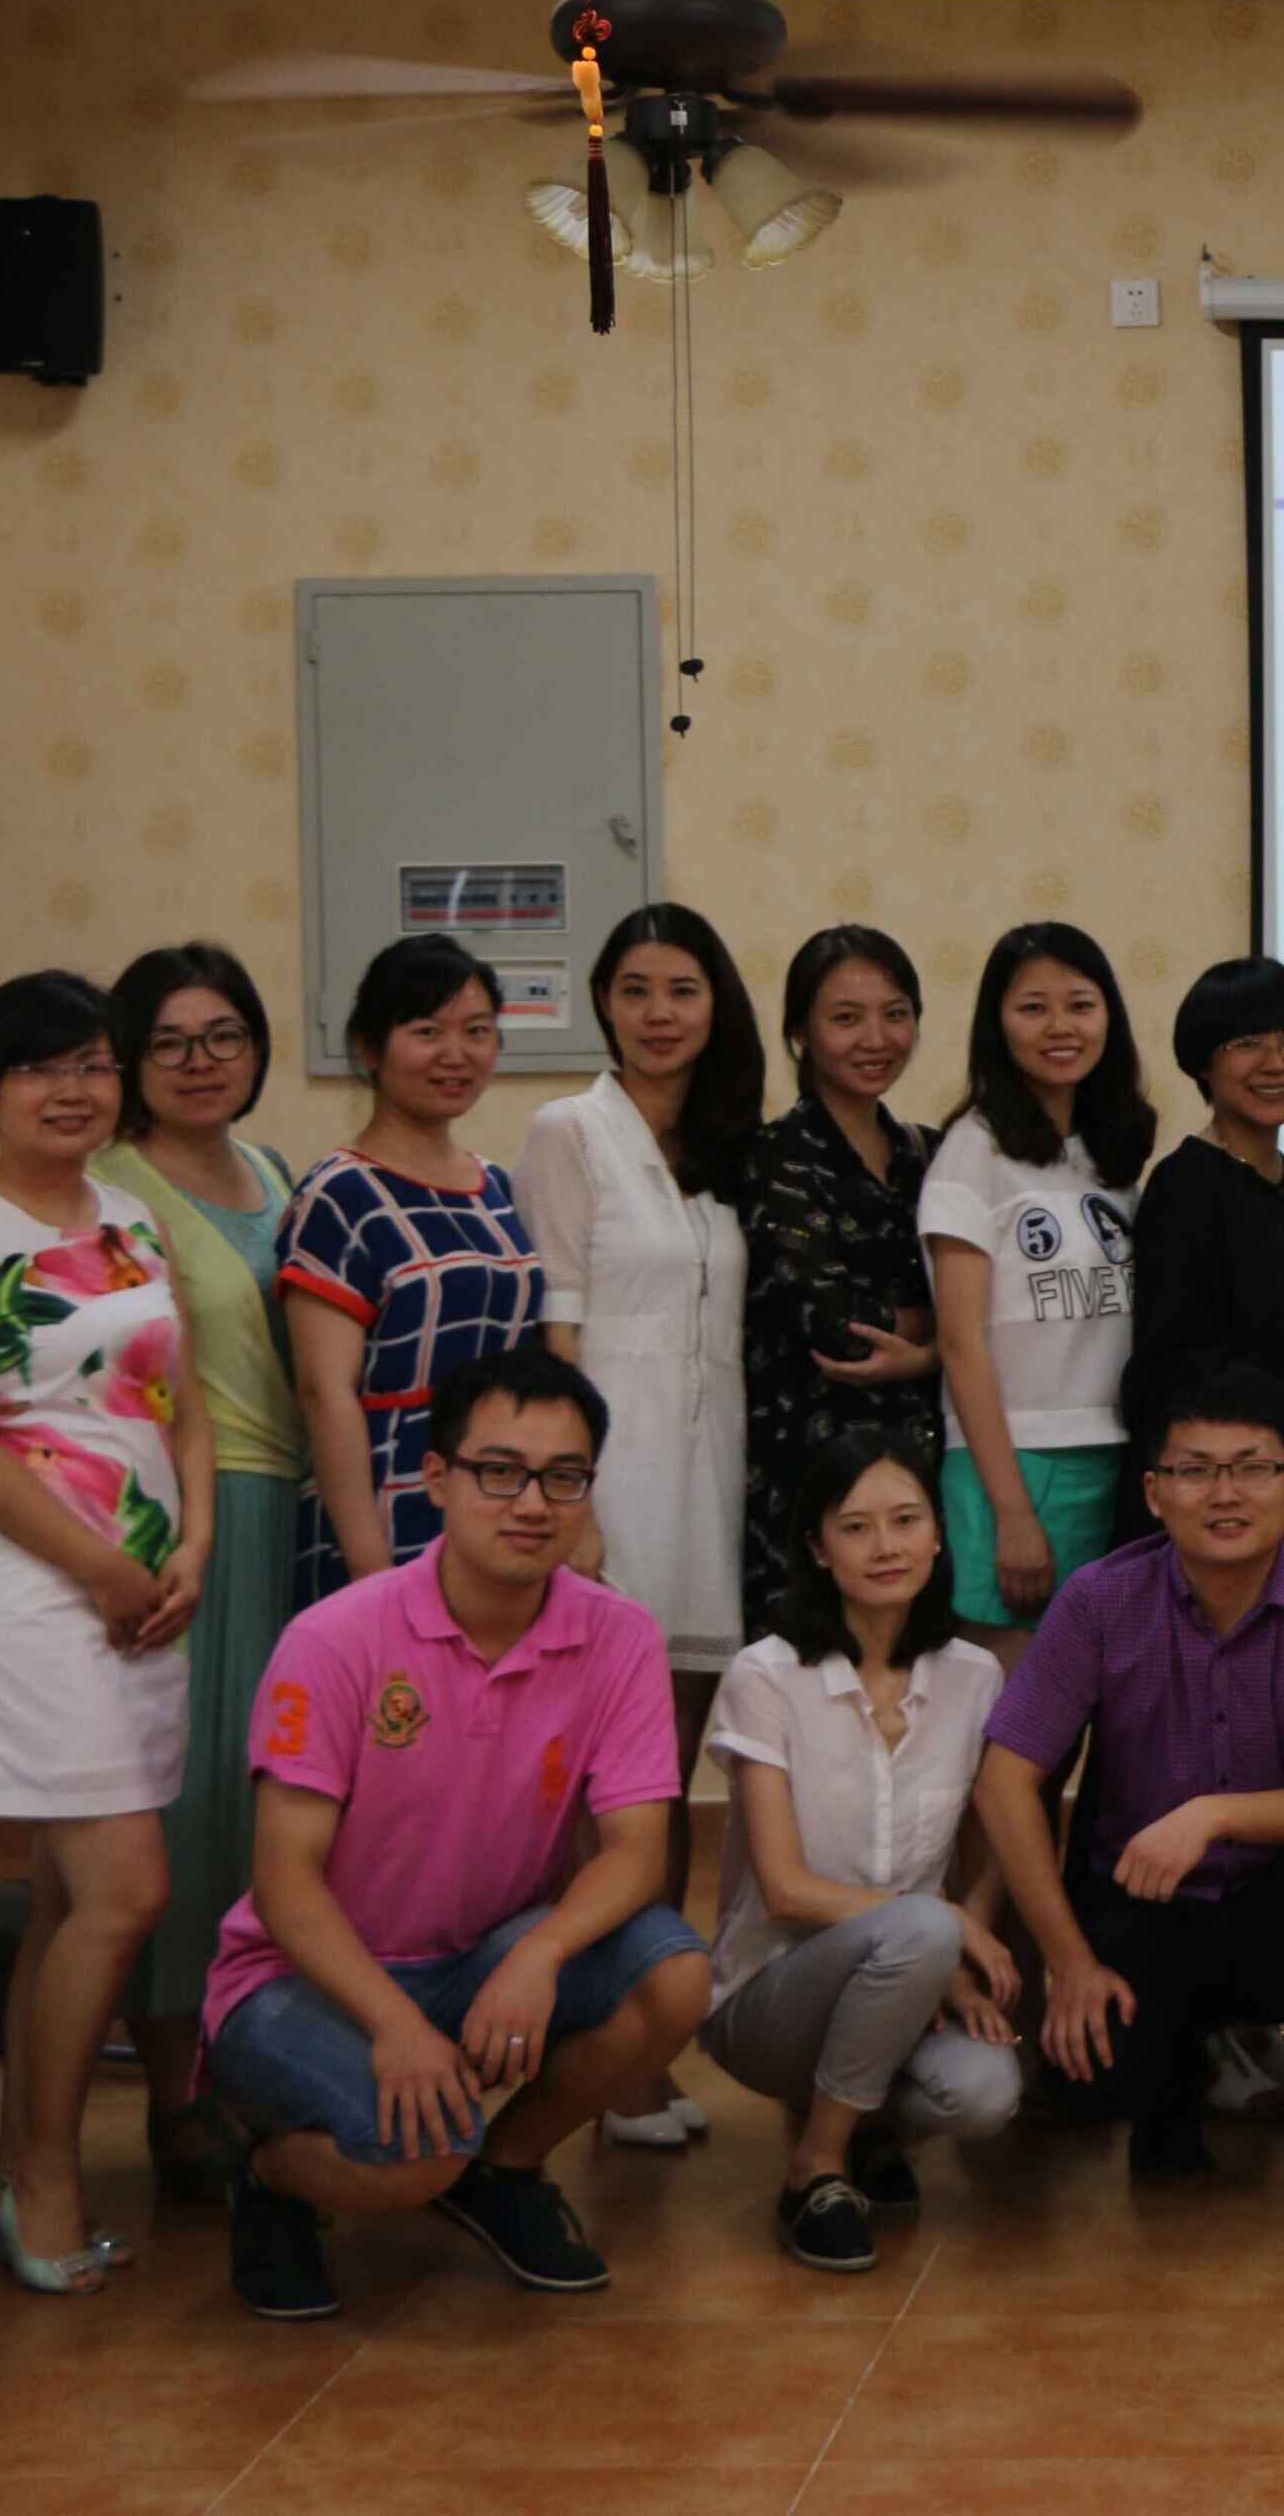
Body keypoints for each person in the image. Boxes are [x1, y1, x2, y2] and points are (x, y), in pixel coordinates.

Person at [204, 1349, 713, 2323]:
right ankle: (270, 2177)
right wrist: (395, 2025)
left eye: (563, 1476)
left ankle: (504, 2168)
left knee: (675, 1976)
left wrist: (539, 1953)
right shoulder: (335, 1637)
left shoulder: (619, 1636)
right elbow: (284, 1881)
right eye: (499, 1470)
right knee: (417, 2153)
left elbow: (636, 1851)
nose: (533, 1503)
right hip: (302, 1978)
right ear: (437, 1477)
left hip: (480, 1956)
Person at [0, 970, 211, 2292]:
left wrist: (192, 1541)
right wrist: (101, 1569)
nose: (71, 1089)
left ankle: (14, 2155)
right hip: (40, 1597)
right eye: (39, 1067)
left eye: (91, 1063)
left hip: (147, 1589)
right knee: (127, 1890)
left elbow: (179, 1398)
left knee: (68, 1893)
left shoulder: (132, 1215)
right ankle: (47, 2177)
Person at [972, 1365, 1284, 2243]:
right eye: (1195, 1470)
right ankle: (1167, 2095)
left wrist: (1213, 1813)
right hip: (1143, 1911)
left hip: (1279, 1914)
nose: (1224, 1493)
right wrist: (1069, 1962)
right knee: (1094, 2085)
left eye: (1251, 1467)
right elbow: (1003, 1779)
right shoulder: (1099, 1598)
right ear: (1153, 1492)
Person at [520, 902, 761, 2151]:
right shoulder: (570, 1129)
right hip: (614, 1490)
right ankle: (599, 2061)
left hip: (711, 1489)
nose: (659, 1012)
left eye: (682, 988)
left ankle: (641, 2046)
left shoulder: (726, 1148)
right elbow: (554, 1326)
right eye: (634, 988)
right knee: (609, 1796)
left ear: (717, 1005)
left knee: (667, 1784)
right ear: (603, 1003)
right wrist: (572, 1500)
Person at [696, 1430, 1019, 2270]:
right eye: (855, 1526)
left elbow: (990, 1847)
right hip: (769, 1995)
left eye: (906, 1519)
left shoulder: (974, 1676)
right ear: (816, 1546)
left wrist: (958, 1941)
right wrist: (940, 1928)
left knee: (986, 2091)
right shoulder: (766, 1675)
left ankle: (865, 2124)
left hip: (911, 1973)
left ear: (938, 1533)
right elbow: (785, 1889)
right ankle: (816, 2167)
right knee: (921, 1926)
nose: (886, 1546)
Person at [96, 942, 303, 2205]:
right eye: (169, 1041)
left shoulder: (271, 1171)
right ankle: (176, 2093)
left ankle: (252, 2063)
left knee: (280, 1799)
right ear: (129, 1061)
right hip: (195, 1518)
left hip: (294, 1517)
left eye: (223, 1034)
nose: (200, 1061)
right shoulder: (113, 1185)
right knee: (197, 1802)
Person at [280, 933, 544, 1604]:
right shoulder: (339, 1194)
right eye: (427, 1031)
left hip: (499, 1506)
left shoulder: (497, 1187)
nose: (456, 1054)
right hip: (386, 1512)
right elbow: (325, 1393)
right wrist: (371, 1567)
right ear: (370, 1048)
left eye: (477, 1031)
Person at [922, 920, 1153, 1648]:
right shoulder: (973, 1152)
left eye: (1080, 1005)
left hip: (1112, 1454)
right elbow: (961, 1343)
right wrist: (1013, 1511)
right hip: (1016, 1464)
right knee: (1010, 1703)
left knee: (1082, 1698)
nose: (1060, 1027)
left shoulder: (1107, 1157)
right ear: (997, 1023)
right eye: (1033, 1007)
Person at [1127, 956, 1284, 1579]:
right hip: (1243, 1501)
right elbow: (1175, 1367)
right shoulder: (1182, 1187)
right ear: (1203, 1062)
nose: (1276, 1063)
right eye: (1247, 1043)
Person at [738, 925, 944, 1635]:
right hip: (810, 1480)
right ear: (800, 1033)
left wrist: (925, 1351)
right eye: (846, 1018)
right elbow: (837, 1327)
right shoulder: (775, 1155)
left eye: (895, 1013)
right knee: (810, 1679)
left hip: (922, 1475)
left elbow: (995, 1309)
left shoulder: (930, 1153)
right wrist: (942, 1328)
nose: (876, 1038)